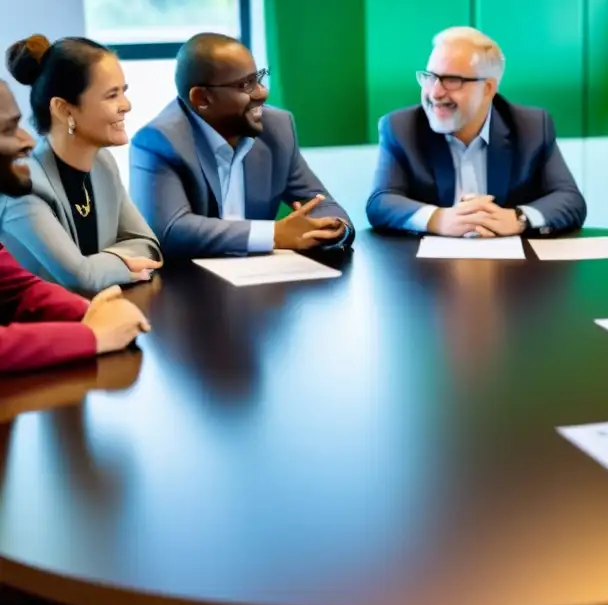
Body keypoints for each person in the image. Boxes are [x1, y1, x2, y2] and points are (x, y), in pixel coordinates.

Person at [129, 33, 353, 260]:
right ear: (202, 98)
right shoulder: (159, 140)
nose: (262, 93)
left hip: (260, 282)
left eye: (259, 78)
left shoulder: (277, 129)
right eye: (246, 85)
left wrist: (334, 228)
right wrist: (274, 234)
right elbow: (171, 229)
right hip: (187, 285)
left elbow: (321, 203)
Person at [365, 26, 586, 237]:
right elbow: (380, 202)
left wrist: (517, 218)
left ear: (488, 88)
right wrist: (438, 219)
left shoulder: (533, 127)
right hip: (427, 271)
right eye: (430, 77)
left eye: (452, 80)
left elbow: (570, 199)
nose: (435, 92)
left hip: (513, 271)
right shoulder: (401, 127)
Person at [0, 77, 150, 374]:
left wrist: (91, 311)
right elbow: (79, 275)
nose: (27, 139)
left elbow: (18, 288)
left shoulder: (104, 163)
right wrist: (94, 336)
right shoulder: (29, 183)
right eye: (7, 129)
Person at [0, 35, 162, 295]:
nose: (126, 105)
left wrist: (101, 265)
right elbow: (81, 278)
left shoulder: (103, 164)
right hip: (42, 329)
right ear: (64, 109)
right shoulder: (23, 183)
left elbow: (149, 244)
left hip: (100, 315)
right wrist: (117, 263)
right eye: (112, 95)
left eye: (124, 91)